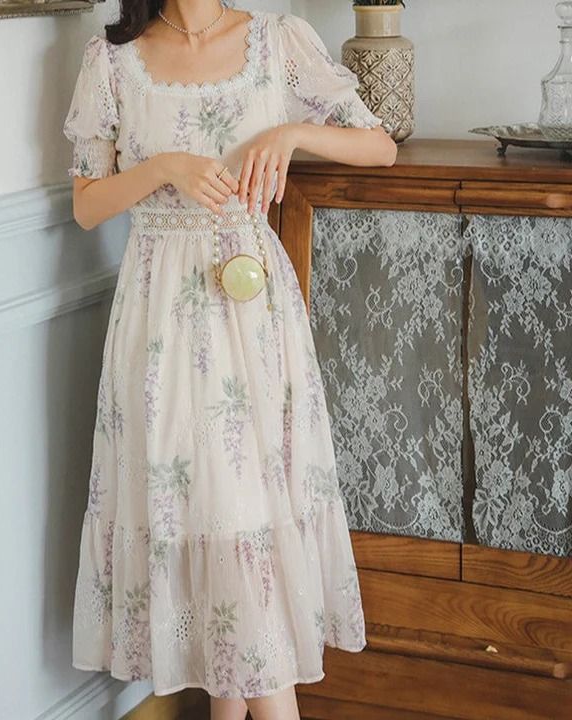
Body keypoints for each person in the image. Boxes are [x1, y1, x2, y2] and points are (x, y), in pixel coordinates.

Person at [63, 2, 397, 719]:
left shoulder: (276, 41)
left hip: (251, 311)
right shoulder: (114, 60)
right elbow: (88, 206)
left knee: (245, 511)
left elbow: (380, 147)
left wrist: (292, 132)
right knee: (198, 508)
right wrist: (161, 169)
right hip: (157, 322)